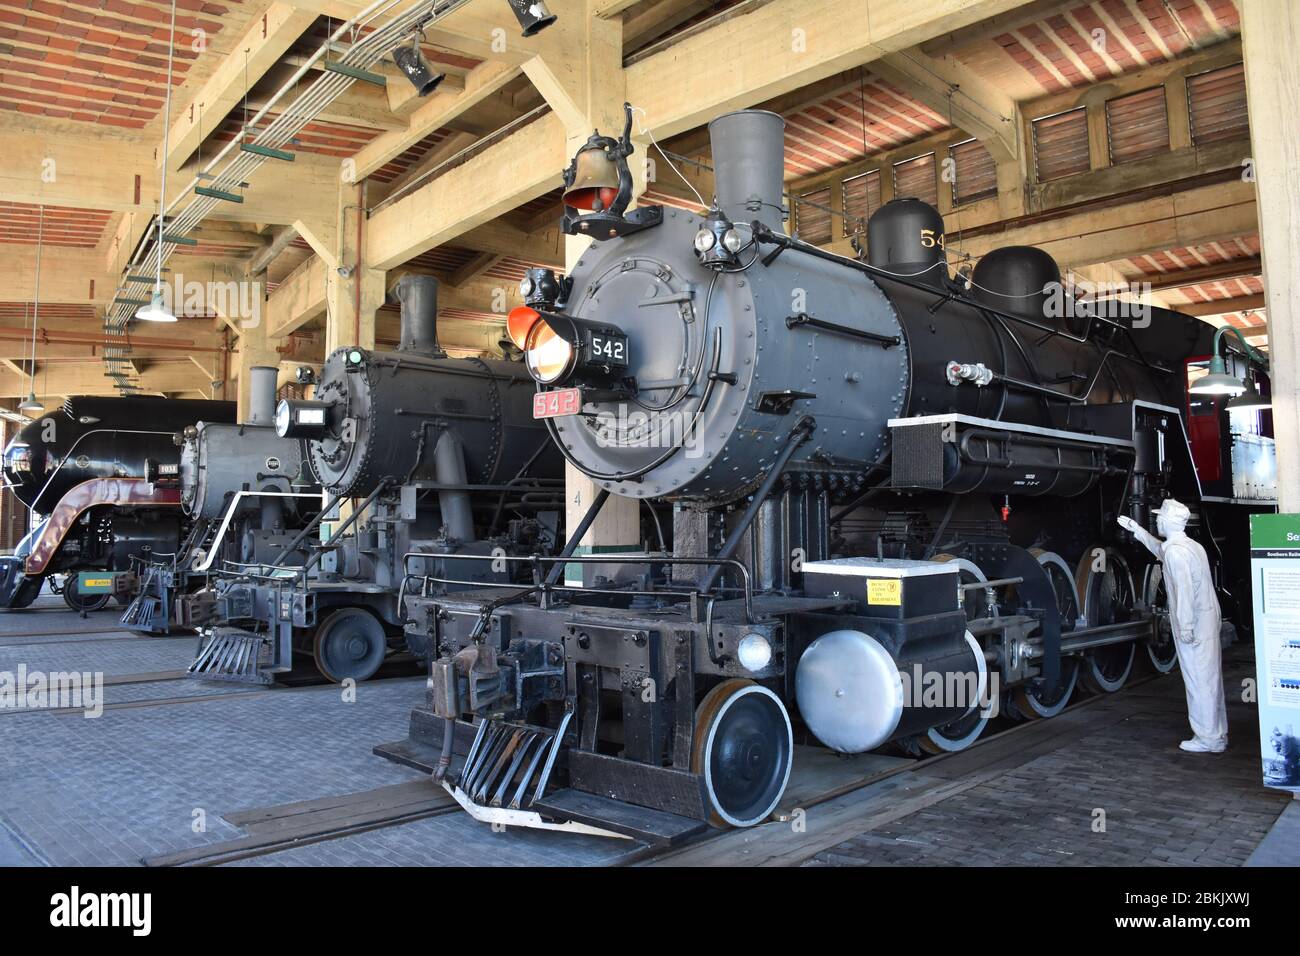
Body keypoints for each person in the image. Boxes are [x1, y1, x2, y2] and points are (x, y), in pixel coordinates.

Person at [1118, 498, 1228, 753]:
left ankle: (1207, 739)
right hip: (1207, 619)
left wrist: (1186, 626)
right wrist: (1139, 531)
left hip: (1194, 624)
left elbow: (1185, 592)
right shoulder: (1190, 546)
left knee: (1198, 681)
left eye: (1159, 517)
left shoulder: (1176, 553)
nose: (1157, 520)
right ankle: (1217, 734)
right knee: (1211, 680)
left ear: (1169, 521)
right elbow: (1161, 550)